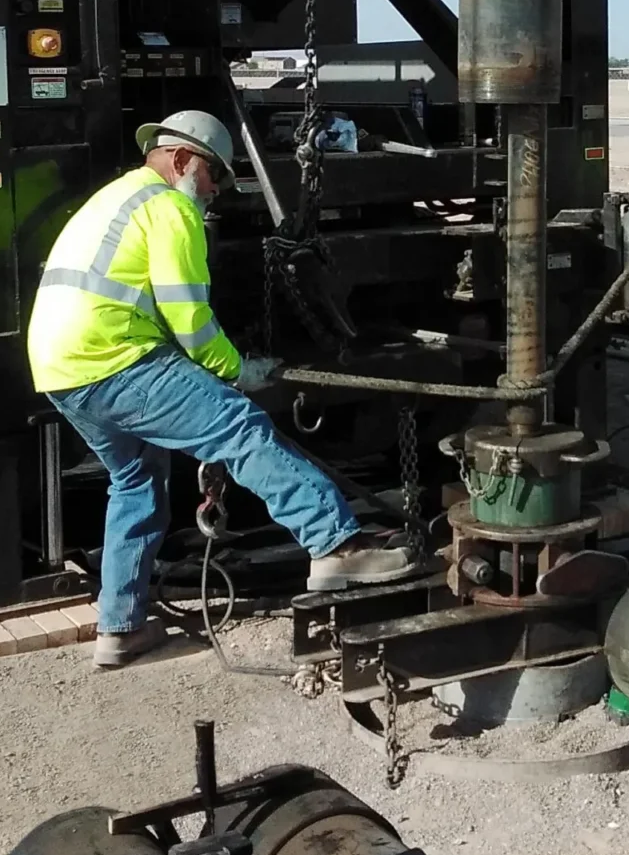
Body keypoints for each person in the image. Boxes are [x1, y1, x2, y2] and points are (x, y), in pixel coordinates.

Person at [27, 109, 414, 667]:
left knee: (135, 485)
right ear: (182, 160)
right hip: (115, 362)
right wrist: (237, 371)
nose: (215, 192)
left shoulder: (116, 197)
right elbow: (190, 319)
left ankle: (119, 629)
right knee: (239, 428)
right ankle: (335, 543)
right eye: (214, 176)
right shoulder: (169, 208)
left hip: (63, 373)